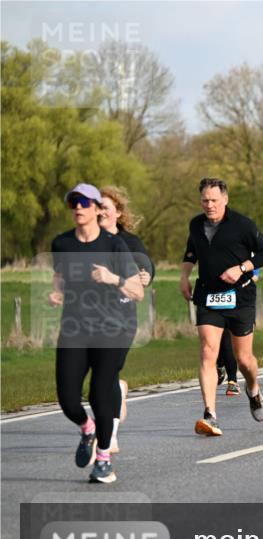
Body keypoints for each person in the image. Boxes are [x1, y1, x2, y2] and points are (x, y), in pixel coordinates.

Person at [51, 184, 143, 483]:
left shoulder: (114, 246)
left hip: (110, 331)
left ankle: (103, 460)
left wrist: (111, 277)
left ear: (95, 208)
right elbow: (60, 276)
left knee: (100, 395)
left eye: (84, 203)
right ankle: (87, 428)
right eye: (73, 203)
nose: (78, 207)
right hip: (74, 330)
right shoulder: (62, 244)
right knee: (67, 398)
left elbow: (137, 290)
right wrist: (57, 292)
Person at [181, 177, 263, 436]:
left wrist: (241, 268)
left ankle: (253, 390)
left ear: (225, 200)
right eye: (204, 200)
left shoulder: (243, 225)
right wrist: (184, 276)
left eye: (213, 200)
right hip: (209, 296)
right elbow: (191, 252)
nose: (209, 205)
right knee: (208, 352)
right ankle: (210, 414)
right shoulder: (196, 225)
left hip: (240, 296)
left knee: (244, 359)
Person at [97, 186, 155, 453]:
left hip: (122, 317)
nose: (100, 211)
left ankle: (110, 435)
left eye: (105, 207)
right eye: (96, 206)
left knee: (107, 374)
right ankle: (116, 389)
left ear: (117, 213)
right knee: (103, 375)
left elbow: (146, 266)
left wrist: (146, 276)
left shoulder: (129, 242)